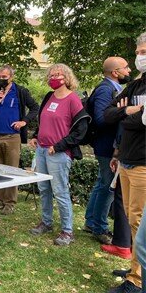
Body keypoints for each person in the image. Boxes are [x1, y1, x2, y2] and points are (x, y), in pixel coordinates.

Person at [29, 64, 88, 247]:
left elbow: (81, 130)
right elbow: (44, 121)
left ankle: (67, 231)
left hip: (59, 153)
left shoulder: (73, 100)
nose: (53, 77)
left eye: (58, 74)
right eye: (51, 74)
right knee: (44, 188)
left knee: (60, 191)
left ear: (67, 77)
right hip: (42, 150)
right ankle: (46, 222)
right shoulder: (49, 96)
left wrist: (60, 145)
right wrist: (35, 136)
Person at [105, 34, 146, 293]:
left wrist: (127, 114)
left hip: (143, 162)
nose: (140, 56)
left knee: (141, 223)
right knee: (133, 218)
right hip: (127, 160)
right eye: (139, 51)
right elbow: (109, 114)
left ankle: (138, 279)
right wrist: (128, 112)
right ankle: (135, 269)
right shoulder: (135, 85)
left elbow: (140, 121)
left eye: (144, 50)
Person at [86, 57, 131, 246]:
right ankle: (100, 228)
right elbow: (100, 118)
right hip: (107, 146)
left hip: (109, 145)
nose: (129, 70)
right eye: (126, 67)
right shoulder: (106, 89)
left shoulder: (115, 88)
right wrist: (124, 112)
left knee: (102, 183)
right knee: (109, 187)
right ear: (115, 72)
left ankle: (90, 221)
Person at [0, 64, 39, 215]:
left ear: (11, 77)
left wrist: (24, 121)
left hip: (12, 137)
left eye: (4, 77)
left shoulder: (20, 92)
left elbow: (35, 108)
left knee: (12, 170)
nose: (1, 79)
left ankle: (10, 203)